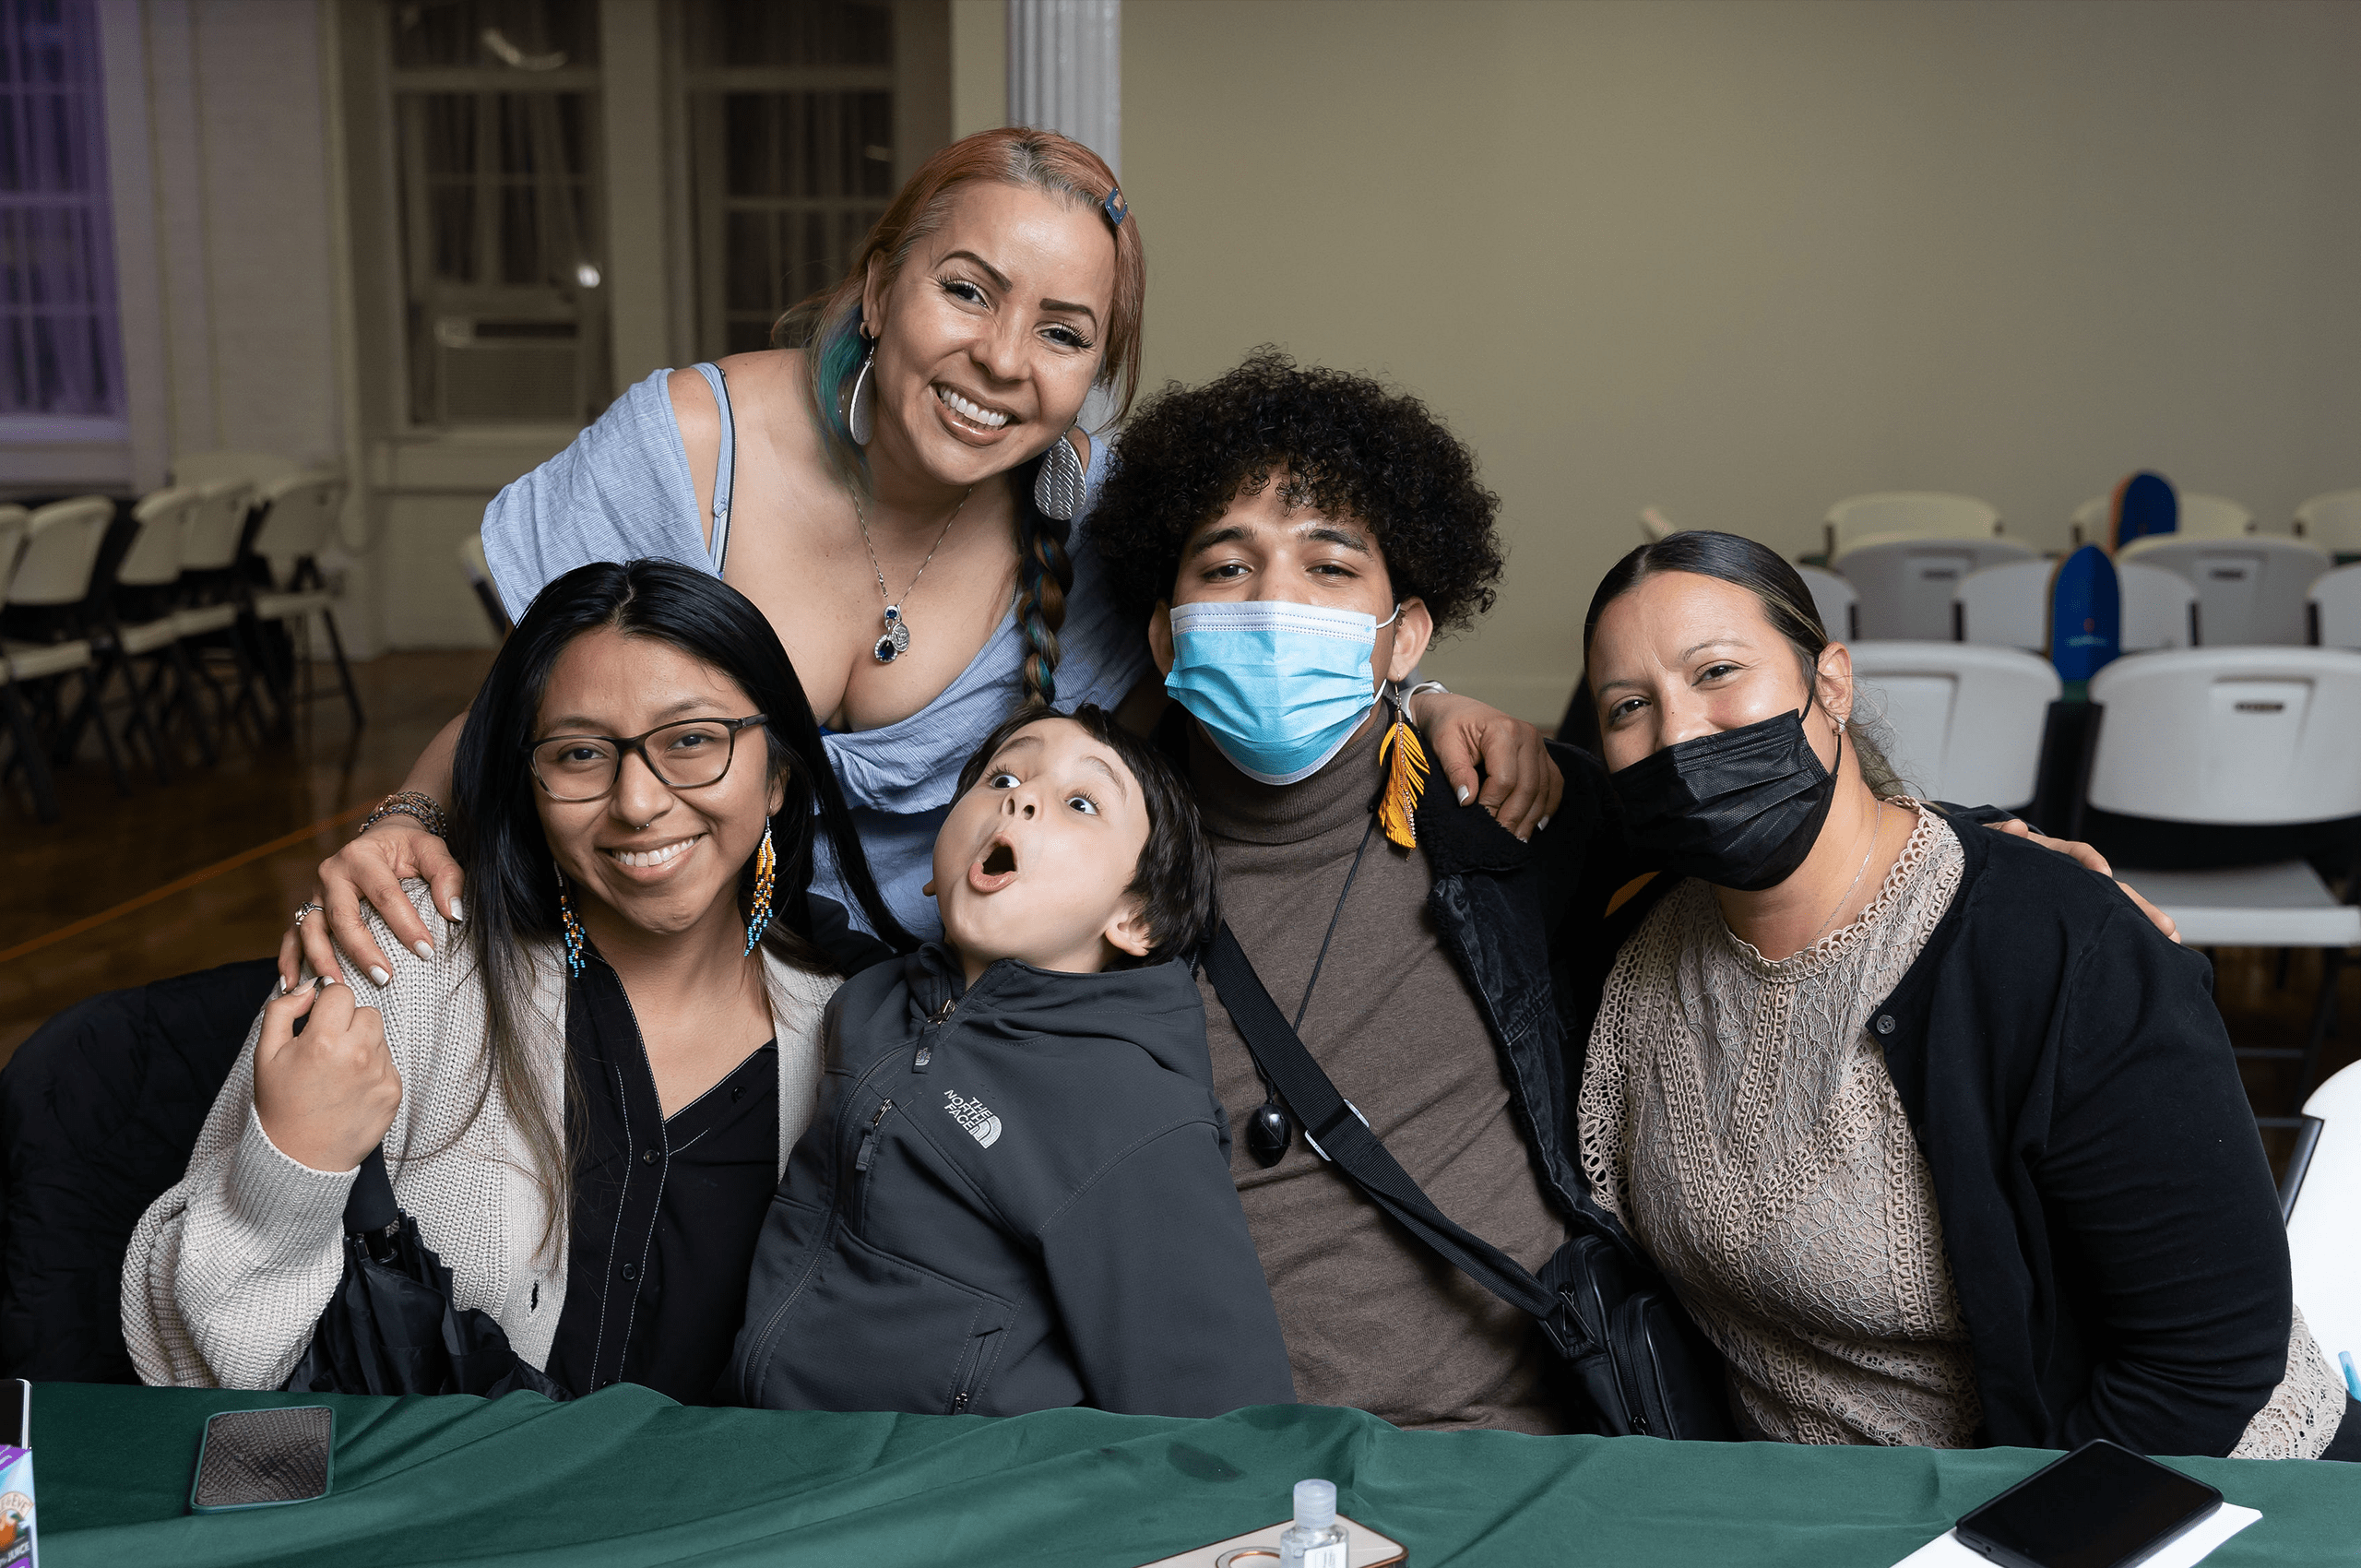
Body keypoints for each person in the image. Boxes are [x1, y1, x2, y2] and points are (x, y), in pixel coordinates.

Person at [1084, 350, 2183, 1437]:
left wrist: (2002, 861)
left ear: (1402, 633)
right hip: (1203, 1453)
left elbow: (1761, 816)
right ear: (1162, 630)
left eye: (1328, 569)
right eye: (1225, 569)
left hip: (1509, 1447)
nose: (1275, 603)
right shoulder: (1082, 873)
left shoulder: (1507, 820)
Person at [282, 128, 1558, 980]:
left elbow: (1251, 655)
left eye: (1064, 333)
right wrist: (402, 817)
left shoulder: (1100, 521)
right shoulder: (688, 450)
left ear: (1093, 375)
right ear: (881, 285)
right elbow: (529, 715)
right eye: (967, 290)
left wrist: (1419, 698)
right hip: (635, 972)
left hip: (925, 1011)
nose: (1003, 359)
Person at [1574, 529, 2356, 1457]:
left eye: (1715, 671)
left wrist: (2006, 1543)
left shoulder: (2063, 949)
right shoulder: (1634, 952)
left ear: (1829, 683)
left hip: (2135, 1483)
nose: (1677, 734)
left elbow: (2204, 1362)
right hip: (1828, 1506)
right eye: (1630, 704)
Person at [123, 560, 907, 1401]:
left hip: (723, 1526)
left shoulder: (855, 1034)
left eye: (692, 741)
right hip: (439, 1518)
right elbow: (177, 1363)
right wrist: (289, 1170)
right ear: (529, 785)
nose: (638, 802)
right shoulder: (406, 962)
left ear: (779, 774)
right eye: (578, 754)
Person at [730, 706, 1293, 1419]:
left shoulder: (1134, 1118)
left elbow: (1224, 1413)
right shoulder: (866, 1002)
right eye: (1003, 776)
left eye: (1081, 802)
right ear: (938, 865)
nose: (1020, 797)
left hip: (952, 1499)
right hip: (766, 1453)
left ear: (1138, 919)